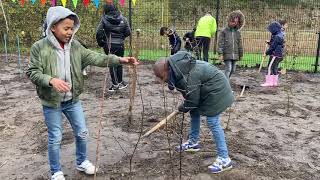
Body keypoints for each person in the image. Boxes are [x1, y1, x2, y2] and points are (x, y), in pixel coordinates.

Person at [27, 6, 138, 180]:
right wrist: (51, 80)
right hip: (51, 102)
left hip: (72, 100)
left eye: (72, 28)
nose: (70, 32)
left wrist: (120, 60)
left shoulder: (76, 46)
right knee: (55, 137)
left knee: (82, 132)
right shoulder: (39, 47)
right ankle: (56, 171)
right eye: (66, 28)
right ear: (53, 27)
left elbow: (96, 57)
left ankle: (82, 161)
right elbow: (33, 72)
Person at [153, 50, 234, 174]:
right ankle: (193, 142)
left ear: (167, 71)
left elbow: (192, 101)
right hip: (208, 90)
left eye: (161, 77)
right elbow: (190, 99)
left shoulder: (187, 76)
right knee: (194, 112)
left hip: (218, 92)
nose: (161, 81)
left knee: (212, 122)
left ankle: (224, 159)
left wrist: (181, 108)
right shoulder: (178, 70)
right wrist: (186, 106)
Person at [96, 3, 131, 92]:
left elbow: (98, 33)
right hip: (120, 45)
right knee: (119, 62)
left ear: (106, 10)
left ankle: (115, 84)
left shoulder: (104, 19)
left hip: (109, 45)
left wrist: (101, 43)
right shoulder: (123, 19)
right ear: (116, 9)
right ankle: (120, 82)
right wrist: (121, 38)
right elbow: (128, 32)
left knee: (111, 64)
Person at [218, 10, 245, 79]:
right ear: (229, 21)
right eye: (232, 21)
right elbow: (220, 43)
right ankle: (225, 85)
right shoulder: (224, 31)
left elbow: (239, 44)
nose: (233, 23)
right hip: (227, 53)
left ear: (238, 23)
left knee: (233, 70)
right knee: (228, 69)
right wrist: (220, 54)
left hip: (235, 54)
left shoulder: (238, 33)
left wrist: (241, 54)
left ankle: (223, 80)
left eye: (235, 22)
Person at [261, 21, 285, 87]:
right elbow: (276, 44)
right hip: (279, 54)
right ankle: (274, 83)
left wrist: (266, 53)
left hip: (275, 54)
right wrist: (269, 43)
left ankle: (269, 82)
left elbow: (273, 47)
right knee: (275, 68)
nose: (270, 31)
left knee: (270, 67)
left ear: (274, 29)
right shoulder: (281, 34)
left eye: (271, 30)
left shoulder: (277, 36)